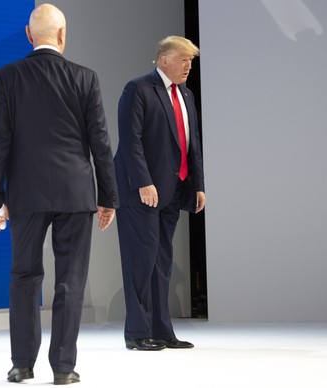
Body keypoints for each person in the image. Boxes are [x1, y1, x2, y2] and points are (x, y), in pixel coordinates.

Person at [0, 3, 119, 385]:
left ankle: (21, 365)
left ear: (29, 36)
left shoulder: (6, 76)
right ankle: (63, 368)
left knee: (24, 277)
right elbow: (100, 142)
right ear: (63, 35)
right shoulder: (85, 78)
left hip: (26, 195)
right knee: (70, 281)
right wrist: (108, 197)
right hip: (76, 194)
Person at [113, 36, 206, 351]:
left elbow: (192, 144)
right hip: (140, 192)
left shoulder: (187, 95)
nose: (188, 67)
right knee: (140, 260)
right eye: (184, 60)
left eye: (191, 61)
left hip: (172, 191)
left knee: (162, 262)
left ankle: (162, 330)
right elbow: (130, 140)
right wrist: (143, 181)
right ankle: (137, 333)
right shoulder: (138, 89)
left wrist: (198, 185)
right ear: (164, 59)